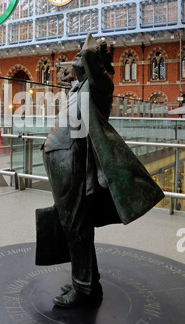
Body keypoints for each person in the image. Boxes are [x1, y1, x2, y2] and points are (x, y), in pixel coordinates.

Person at [35, 33, 164, 308]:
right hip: (62, 160)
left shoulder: (101, 86)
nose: (75, 62)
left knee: (76, 225)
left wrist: (93, 47)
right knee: (72, 224)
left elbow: (91, 57)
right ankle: (87, 280)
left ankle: (84, 289)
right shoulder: (79, 89)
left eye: (78, 58)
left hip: (73, 161)